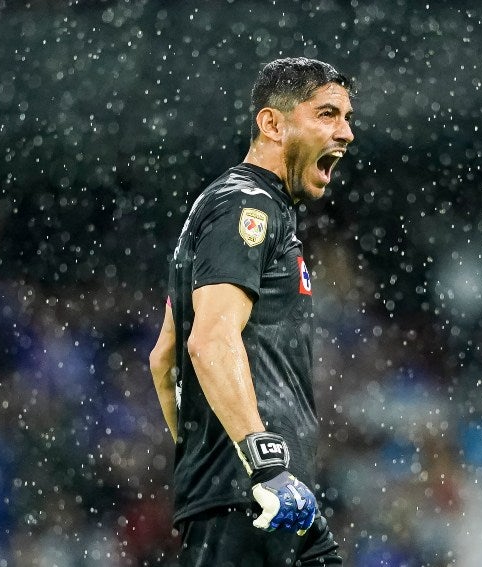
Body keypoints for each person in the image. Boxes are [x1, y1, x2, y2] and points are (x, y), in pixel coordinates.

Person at [149, 57, 354, 566]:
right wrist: (257, 464)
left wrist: (209, 457)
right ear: (272, 124)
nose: (345, 132)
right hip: (256, 496)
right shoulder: (247, 207)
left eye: (347, 117)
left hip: (268, 497)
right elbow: (209, 342)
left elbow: (164, 357)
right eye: (328, 114)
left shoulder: (236, 208)